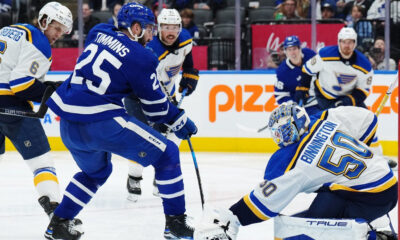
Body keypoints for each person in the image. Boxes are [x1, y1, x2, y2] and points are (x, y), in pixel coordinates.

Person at [44, 3, 197, 240]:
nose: (151, 34)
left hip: (67, 121)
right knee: (168, 154)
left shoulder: (98, 32)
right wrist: (179, 119)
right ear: (135, 28)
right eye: (147, 28)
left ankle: (59, 224)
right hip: (101, 122)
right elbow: (156, 110)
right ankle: (175, 225)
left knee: (97, 172)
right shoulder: (143, 57)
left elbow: (111, 29)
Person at [194, 103, 398, 240]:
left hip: (369, 197)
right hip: (388, 182)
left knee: (315, 228)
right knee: (326, 200)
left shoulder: (293, 161)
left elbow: (265, 202)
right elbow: (368, 119)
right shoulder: (325, 120)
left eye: (285, 130)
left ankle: (372, 235)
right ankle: (381, 225)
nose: (283, 137)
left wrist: (234, 216)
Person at [0, 1, 72, 220]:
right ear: (44, 21)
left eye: (63, 31)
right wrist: (50, 92)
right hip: (11, 106)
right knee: (42, 162)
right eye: (56, 28)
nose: (58, 34)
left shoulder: (10, 30)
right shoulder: (39, 41)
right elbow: (21, 84)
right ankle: (57, 218)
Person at [125, 8, 199, 202]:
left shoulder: (185, 40)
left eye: (175, 27)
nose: (171, 31)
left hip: (164, 94)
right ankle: (134, 176)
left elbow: (189, 64)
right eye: (166, 27)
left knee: (173, 134)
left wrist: (190, 78)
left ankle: (162, 176)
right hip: (137, 96)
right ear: (158, 29)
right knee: (143, 138)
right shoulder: (150, 50)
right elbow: (140, 82)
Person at [294, 27, 372, 110]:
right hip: (325, 97)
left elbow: (363, 90)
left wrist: (347, 101)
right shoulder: (325, 55)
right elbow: (307, 69)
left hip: (347, 99)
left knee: (366, 118)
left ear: (355, 43)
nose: (346, 45)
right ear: (339, 42)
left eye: (350, 42)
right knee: (332, 119)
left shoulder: (364, 65)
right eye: (343, 42)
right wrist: (302, 88)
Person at [274, 35, 318, 115]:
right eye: (289, 50)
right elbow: (280, 95)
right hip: (303, 109)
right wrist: (292, 105)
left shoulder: (310, 55)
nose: (292, 53)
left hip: (320, 100)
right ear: (285, 52)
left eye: (294, 49)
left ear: (299, 49)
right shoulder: (282, 72)